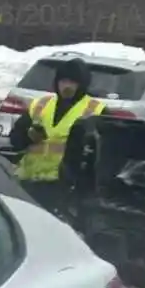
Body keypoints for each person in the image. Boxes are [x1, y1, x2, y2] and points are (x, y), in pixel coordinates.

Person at [9, 56, 104, 217]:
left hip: (65, 188)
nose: (66, 86)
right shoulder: (41, 104)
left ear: (82, 84)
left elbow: (100, 157)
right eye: (63, 81)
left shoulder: (95, 110)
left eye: (72, 82)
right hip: (29, 182)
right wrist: (28, 137)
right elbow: (15, 140)